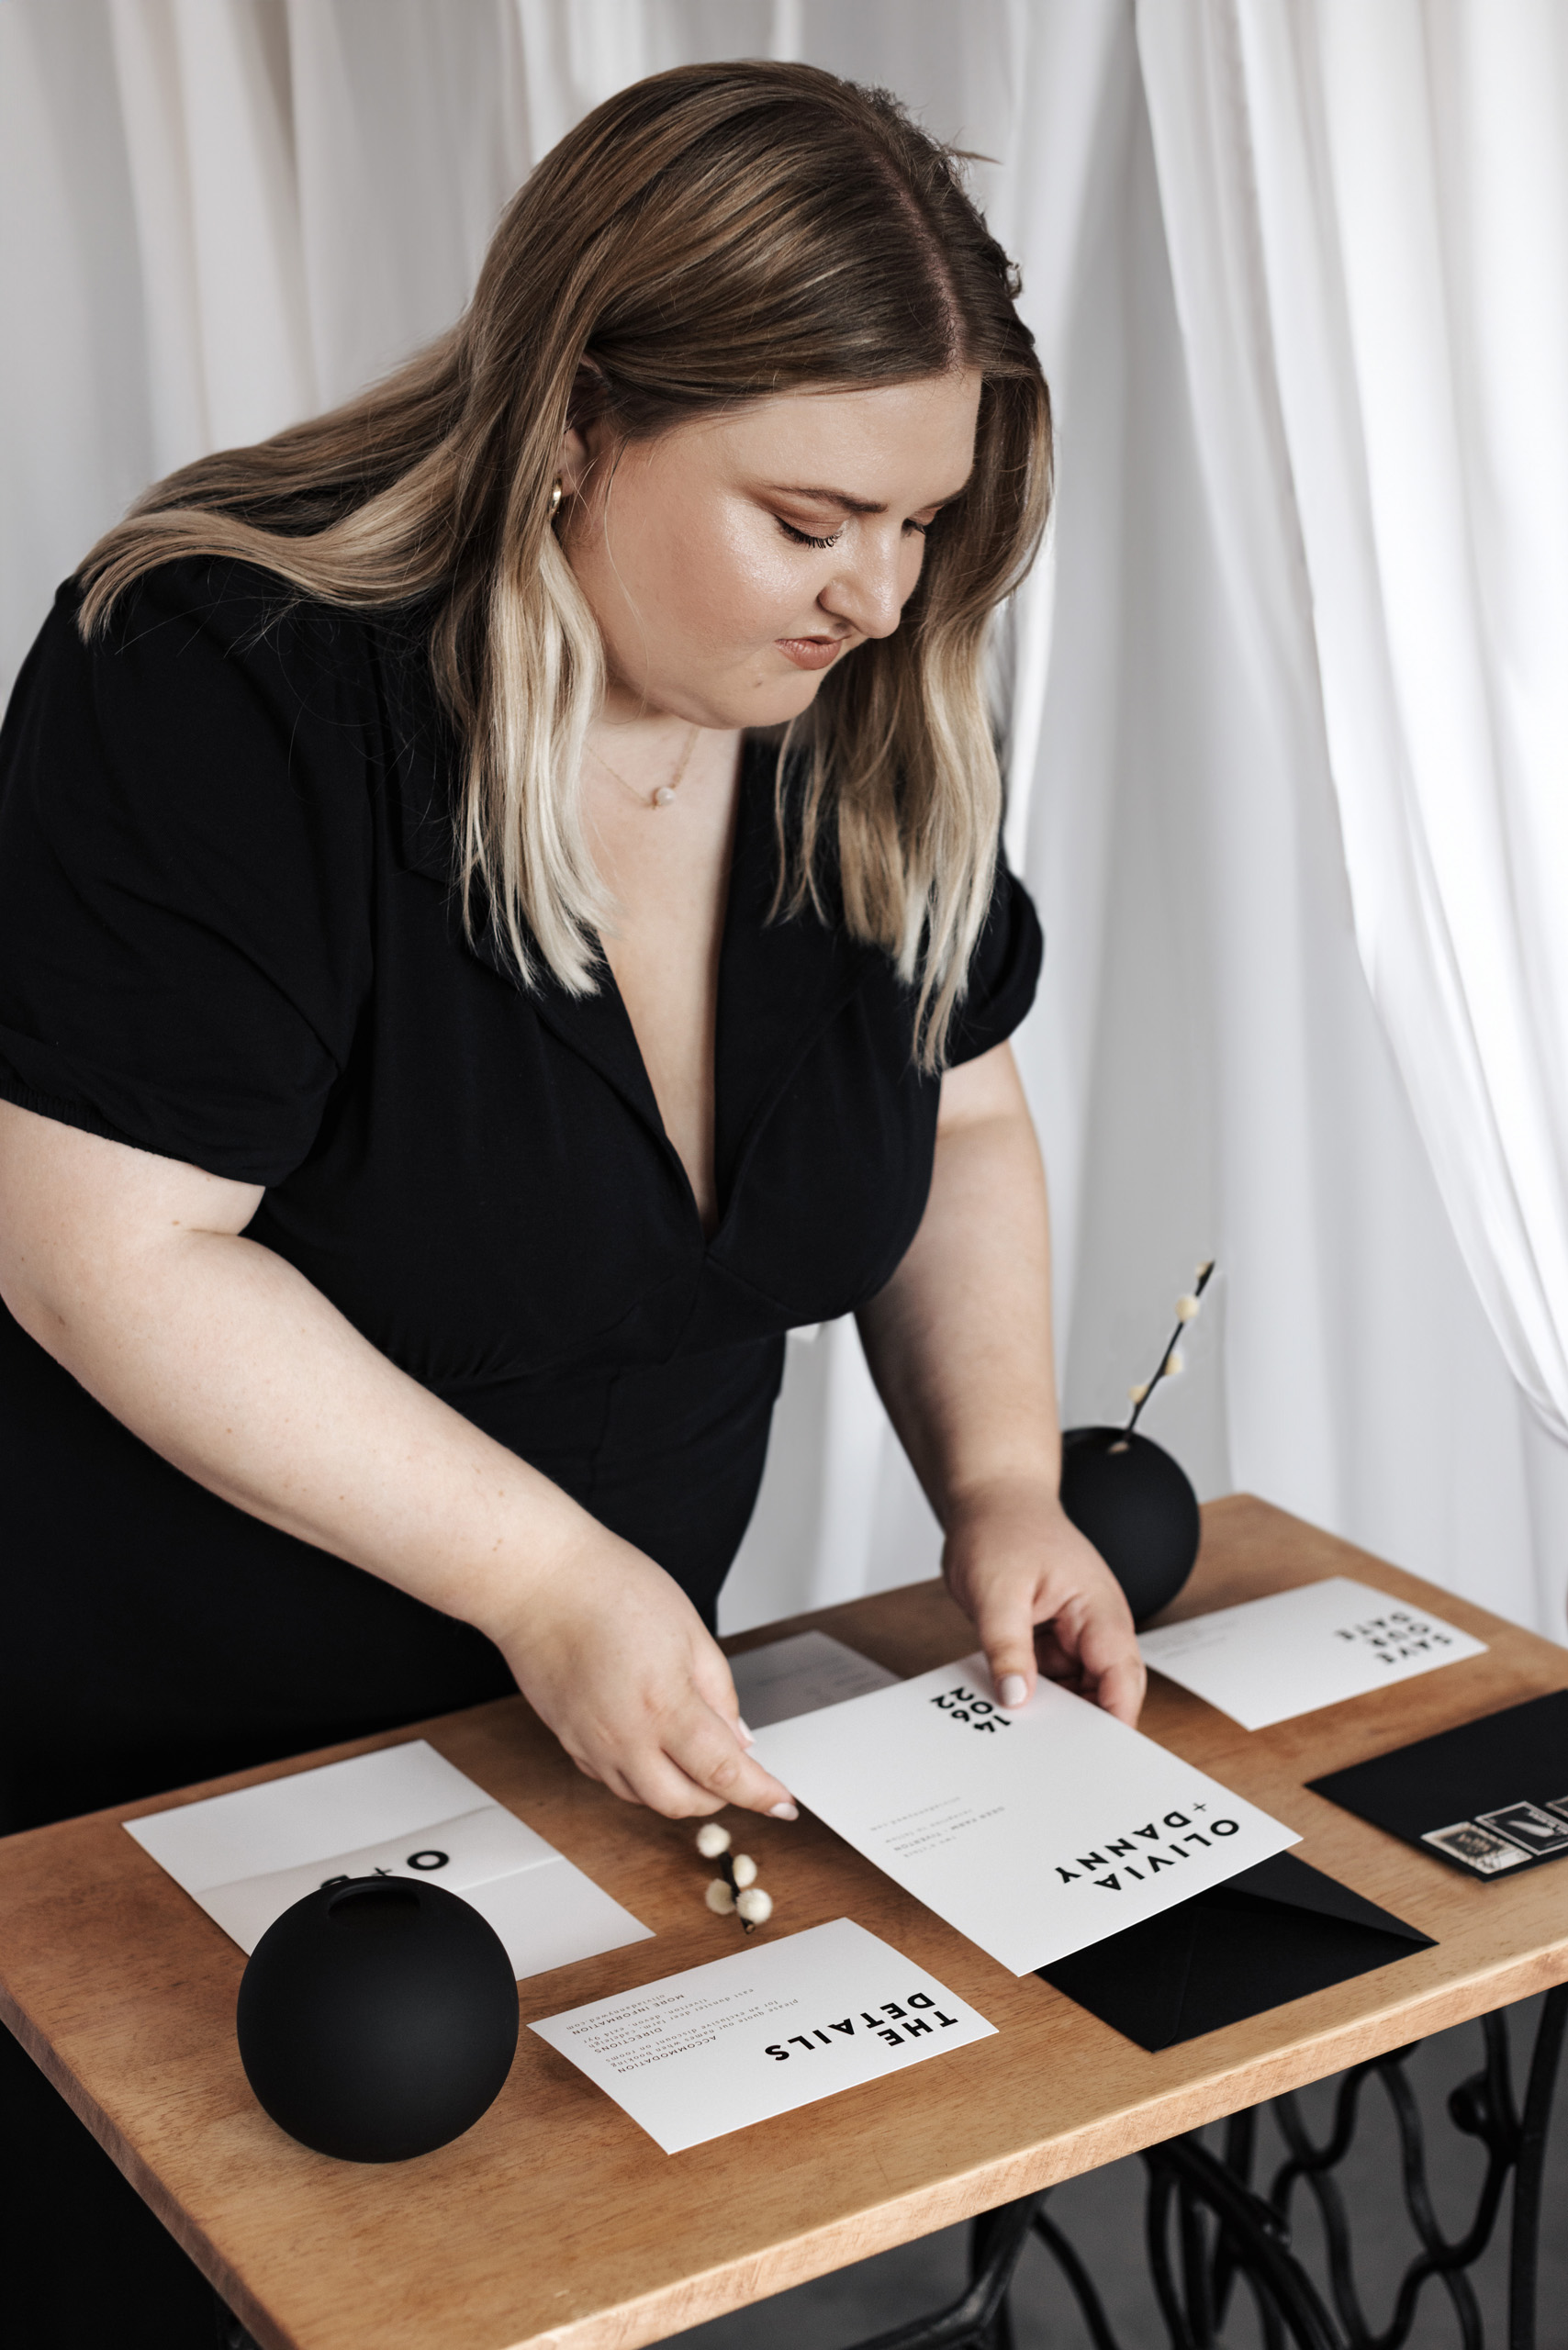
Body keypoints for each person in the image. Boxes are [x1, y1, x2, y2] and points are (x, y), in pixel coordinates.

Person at [0, 61, 1144, 2346]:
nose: (876, 590)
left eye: (921, 523)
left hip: (574, 1747)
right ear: (570, 420)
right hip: (128, 1766)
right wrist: (545, 1571)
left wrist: (997, 1476)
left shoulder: (863, 704)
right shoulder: (221, 672)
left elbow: (967, 1117)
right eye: (810, 511)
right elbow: (100, 1244)